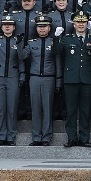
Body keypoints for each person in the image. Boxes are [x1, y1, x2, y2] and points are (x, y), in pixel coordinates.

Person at [55, 10, 91, 147]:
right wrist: (56, 38)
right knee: (71, 111)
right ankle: (72, 137)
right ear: (73, 24)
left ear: (87, 24)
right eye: (78, 22)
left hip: (86, 79)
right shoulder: (67, 39)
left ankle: (84, 138)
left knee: (85, 111)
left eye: (83, 22)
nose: (81, 24)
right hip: (71, 79)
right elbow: (55, 52)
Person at [19, 16, 61, 146]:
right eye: (39, 26)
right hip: (35, 78)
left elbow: (58, 62)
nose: (42, 29)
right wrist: (20, 43)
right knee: (35, 108)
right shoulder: (32, 43)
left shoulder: (53, 42)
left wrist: (58, 80)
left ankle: (47, 137)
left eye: (44, 26)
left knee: (47, 108)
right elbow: (22, 56)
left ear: (49, 28)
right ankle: (36, 137)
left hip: (49, 78)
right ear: (36, 28)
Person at [0, 15, 25, 146]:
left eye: (10, 24)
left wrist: (22, 76)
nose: (7, 26)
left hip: (13, 76)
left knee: (12, 108)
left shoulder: (18, 40)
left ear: (14, 27)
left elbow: (21, 60)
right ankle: (1, 136)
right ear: (1, 27)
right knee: (0, 108)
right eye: (4, 24)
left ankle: (11, 136)